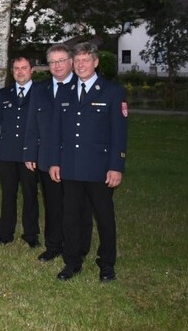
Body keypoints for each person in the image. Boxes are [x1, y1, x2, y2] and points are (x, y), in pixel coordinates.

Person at [49, 42, 128, 282]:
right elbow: (57, 131)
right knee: (70, 217)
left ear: (95, 62)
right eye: (77, 60)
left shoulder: (112, 92)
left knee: (104, 218)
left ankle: (107, 264)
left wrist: (116, 165)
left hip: (99, 168)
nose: (81, 65)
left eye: (86, 60)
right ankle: (72, 262)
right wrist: (54, 161)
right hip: (70, 167)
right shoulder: (65, 91)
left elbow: (119, 133)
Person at [23, 44, 93, 262]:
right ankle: (53, 245)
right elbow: (32, 124)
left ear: (71, 62)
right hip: (46, 157)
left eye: (61, 60)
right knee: (52, 205)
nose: (57, 66)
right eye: (52, 62)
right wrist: (29, 153)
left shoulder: (81, 87)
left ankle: (80, 247)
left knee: (78, 206)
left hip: (75, 158)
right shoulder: (39, 89)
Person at [0, 56, 39, 247]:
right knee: (8, 195)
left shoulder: (40, 92)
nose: (20, 72)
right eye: (16, 68)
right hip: (7, 153)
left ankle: (31, 235)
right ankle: (5, 234)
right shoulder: (4, 93)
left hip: (29, 155)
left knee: (30, 195)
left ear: (32, 70)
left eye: (24, 68)